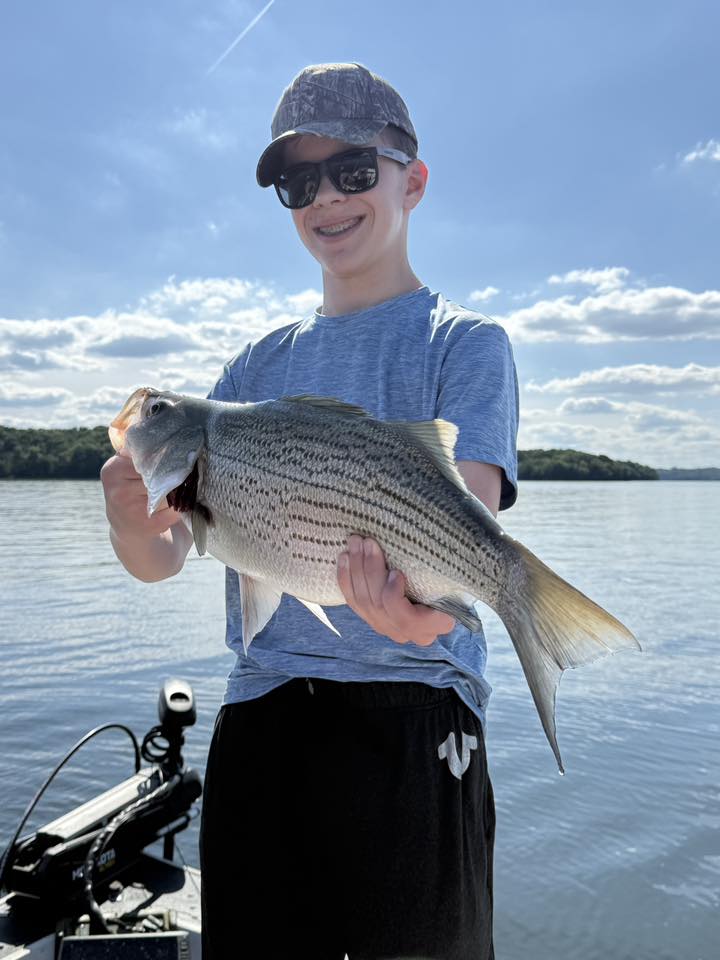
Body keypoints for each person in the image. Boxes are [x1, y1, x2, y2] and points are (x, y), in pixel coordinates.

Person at [101, 62, 518, 960]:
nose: (326, 196)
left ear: (413, 180)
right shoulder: (250, 369)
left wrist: (419, 617)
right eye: (299, 182)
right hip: (264, 716)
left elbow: (468, 531)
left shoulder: (466, 342)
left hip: (416, 714)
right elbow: (163, 558)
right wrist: (132, 522)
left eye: (353, 170)